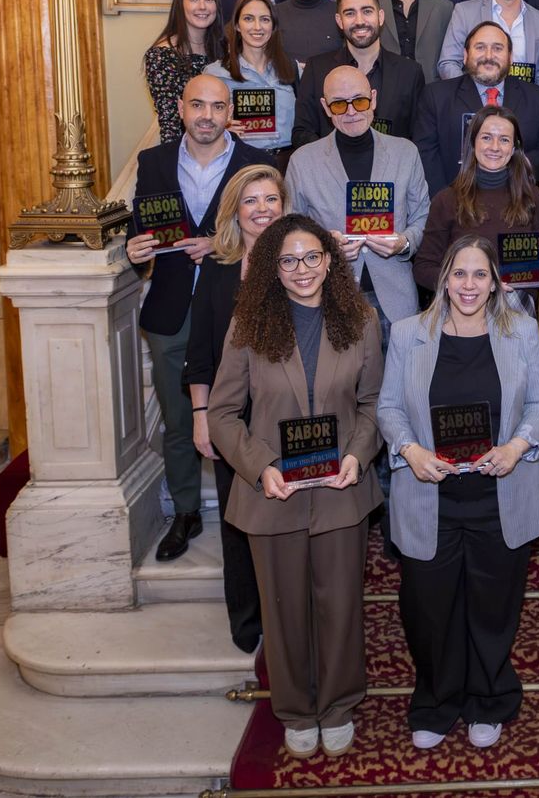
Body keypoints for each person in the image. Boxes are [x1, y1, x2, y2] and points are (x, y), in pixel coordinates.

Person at [206, 215, 383, 760]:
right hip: (272, 494)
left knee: (340, 603)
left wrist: (357, 454)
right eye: (288, 260)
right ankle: (295, 710)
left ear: (330, 261)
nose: (301, 269)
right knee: (283, 609)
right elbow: (223, 414)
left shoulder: (363, 320)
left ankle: (337, 704)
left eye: (311, 257)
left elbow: (374, 405)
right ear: (272, 269)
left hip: (339, 491)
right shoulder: (248, 324)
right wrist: (261, 467)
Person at [378, 232, 539, 750]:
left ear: (495, 281)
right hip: (429, 495)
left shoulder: (521, 331)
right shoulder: (410, 332)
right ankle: (435, 701)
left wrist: (518, 445)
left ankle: (488, 698)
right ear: (443, 278)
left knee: (493, 607)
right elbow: (388, 407)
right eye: (460, 273)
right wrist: (410, 451)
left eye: (480, 274)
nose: (470, 284)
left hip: (499, 496)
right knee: (428, 609)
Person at [128, 75, 275, 562]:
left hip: (236, 308)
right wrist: (133, 247)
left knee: (246, 415)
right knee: (179, 422)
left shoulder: (258, 162)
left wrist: (220, 243)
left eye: (217, 106)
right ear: (180, 107)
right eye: (197, 105)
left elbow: (270, 227)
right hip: (171, 308)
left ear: (230, 112)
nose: (207, 115)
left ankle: (252, 507)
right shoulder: (152, 162)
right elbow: (140, 226)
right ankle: (187, 511)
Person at [182, 163, 287, 653]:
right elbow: (200, 349)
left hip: (290, 416)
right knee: (236, 523)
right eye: (251, 201)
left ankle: (287, 617)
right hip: (231, 419)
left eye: (271, 200)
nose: (262, 210)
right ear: (235, 211)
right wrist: (202, 415)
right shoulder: (219, 272)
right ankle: (247, 622)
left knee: (285, 521)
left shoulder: (301, 263)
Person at [285, 66, 431, 337]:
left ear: (373, 99)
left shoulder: (405, 153)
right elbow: (290, 228)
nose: (351, 112)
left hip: (396, 301)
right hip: (328, 299)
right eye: (339, 104)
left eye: (360, 101)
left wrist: (404, 243)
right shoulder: (302, 162)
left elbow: (422, 215)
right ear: (325, 108)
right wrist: (324, 245)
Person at [413, 107, 539, 291]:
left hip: (514, 307)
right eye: (487, 138)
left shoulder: (532, 197)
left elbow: (531, 275)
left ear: (514, 149)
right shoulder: (446, 200)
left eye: (504, 140)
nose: (495, 147)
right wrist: (468, 286)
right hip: (463, 305)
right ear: (473, 143)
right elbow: (423, 269)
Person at [418, 21, 539, 194]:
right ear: (465, 55)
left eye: (497, 48)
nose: (488, 56)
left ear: (510, 57)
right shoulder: (436, 97)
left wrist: (511, 175)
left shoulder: (537, 98)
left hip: (517, 205)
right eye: (480, 47)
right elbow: (426, 156)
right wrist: (449, 203)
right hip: (454, 206)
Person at [291, 0, 425, 147]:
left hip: (392, 169)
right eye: (350, 13)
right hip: (331, 169)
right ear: (339, 21)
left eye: (367, 11)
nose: (359, 21)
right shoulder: (316, 69)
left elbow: (419, 136)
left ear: (380, 16)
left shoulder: (410, 73)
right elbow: (301, 133)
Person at [205, 0, 299, 165]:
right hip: (241, 162)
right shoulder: (215, 74)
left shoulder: (292, 69)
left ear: (273, 26)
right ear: (237, 25)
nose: (257, 27)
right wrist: (221, 130)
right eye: (248, 18)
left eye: (264, 19)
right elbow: (202, 123)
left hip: (287, 163)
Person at [145, 0, 224, 141]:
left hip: (222, 144)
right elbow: (170, 123)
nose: (202, 6)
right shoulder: (162, 55)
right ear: (180, 5)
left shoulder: (224, 48)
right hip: (183, 147)